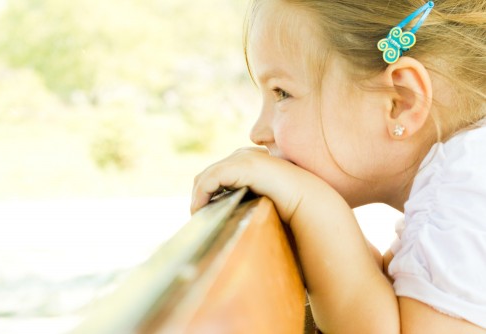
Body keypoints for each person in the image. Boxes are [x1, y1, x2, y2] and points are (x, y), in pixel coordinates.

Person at [191, 0, 486, 332]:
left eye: (282, 93)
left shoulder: (464, 191)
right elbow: (383, 297)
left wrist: (310, 204)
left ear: (400, 101)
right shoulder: (465, 178)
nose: (257, 133)